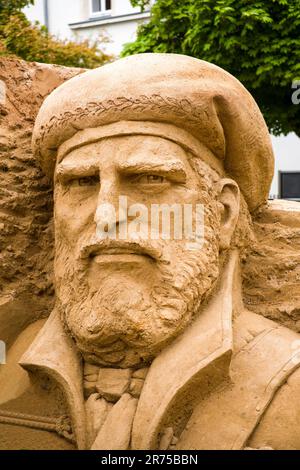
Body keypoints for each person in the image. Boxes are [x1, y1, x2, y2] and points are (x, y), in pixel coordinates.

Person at [1, 54, 300, 450]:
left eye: (150, 179)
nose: (107, 215)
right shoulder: (14, 363)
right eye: (81, 183)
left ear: (223, 213)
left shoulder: (287, 382)